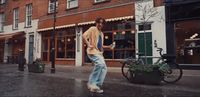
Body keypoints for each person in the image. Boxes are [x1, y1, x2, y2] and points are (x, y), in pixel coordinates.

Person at [82, 17, 113, 93]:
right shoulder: (93, 29)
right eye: (99, 22)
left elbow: (100, 46)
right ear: (96, 23)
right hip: (92, 51)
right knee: (100, 64)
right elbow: (83, 36)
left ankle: (97, 85)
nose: (100, 24)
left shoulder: (101, 34)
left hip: (99, 52)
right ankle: (92, 83)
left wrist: (109, 46)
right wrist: (88, 44)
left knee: (104, 68)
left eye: (102, 23)